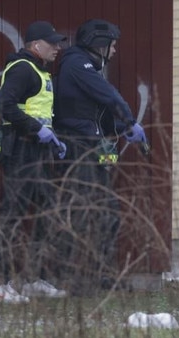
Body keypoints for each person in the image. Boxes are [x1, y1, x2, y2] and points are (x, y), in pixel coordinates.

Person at [53, 19, 147, 294]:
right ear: (99, 44)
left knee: (107, 213)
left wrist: (120, 129)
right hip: (78, 148)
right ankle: (74, 280)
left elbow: (94, 115)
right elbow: (109, 96)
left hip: (90, 146)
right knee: (82, 213)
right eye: (113, 45)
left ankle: (103, 276)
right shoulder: (76, 64)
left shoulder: (87, 68)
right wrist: (130, 121)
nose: (115, 51)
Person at [0, 21, 69, 303]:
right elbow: (4, 105)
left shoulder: (39, 71)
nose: (58, 48)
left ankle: (36, 278)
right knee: (11, 217)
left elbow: (38, 112)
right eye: (53, 43)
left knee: (47, 214)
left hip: (37, 152)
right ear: (36, 45)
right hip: (21, 151)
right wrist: (38, 130)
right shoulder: (23, 69)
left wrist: (53, 139)